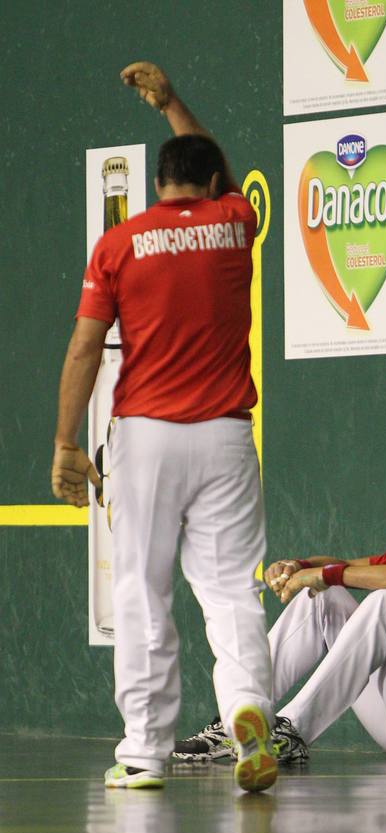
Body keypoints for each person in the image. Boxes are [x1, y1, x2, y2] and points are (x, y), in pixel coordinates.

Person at [51, 61, 277, 792]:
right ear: (213, 186)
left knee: (142, 593)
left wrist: (65, 443)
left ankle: (145, 752)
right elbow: (221, 167)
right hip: (224, 437)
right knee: (230, 593)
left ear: (157, 188)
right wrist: (173, 101)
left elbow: (87, 346)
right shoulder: (233, 223)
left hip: (145, 438)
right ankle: (248, 715)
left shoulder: (119, 245)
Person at [173, 445, 386, 763]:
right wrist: (302, 565)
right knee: (323, 598)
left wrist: (327, 574)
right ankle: (237, 719)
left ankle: (291, 730)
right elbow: (348, 565)